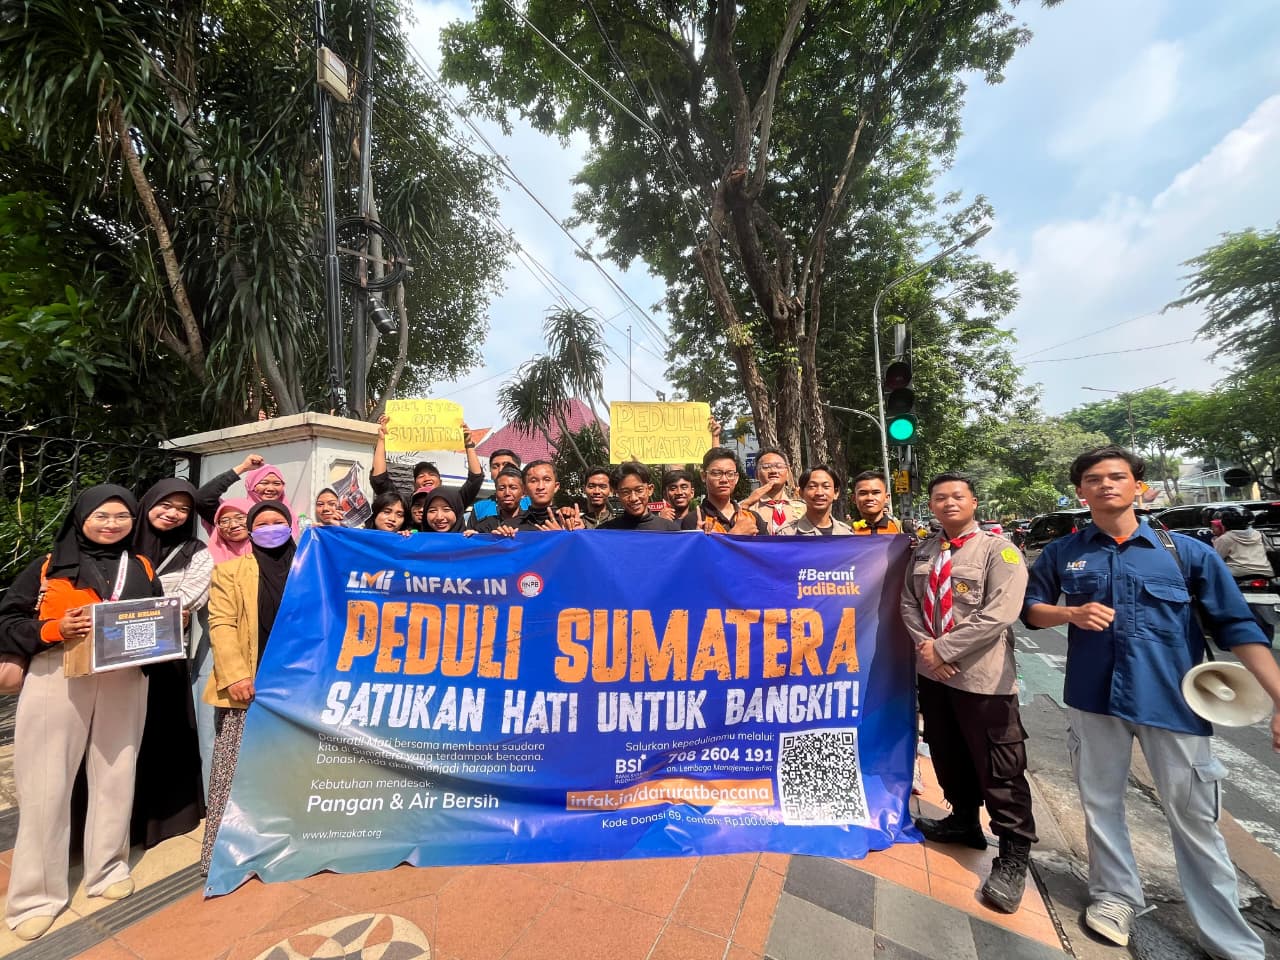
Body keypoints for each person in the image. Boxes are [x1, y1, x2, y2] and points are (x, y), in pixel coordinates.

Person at [1023, 446, 1280, 957]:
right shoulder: (1063, 552)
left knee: (1195, 818)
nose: (1105, 486)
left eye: (1117, 477)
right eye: (1093, 479)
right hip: (1093, 699)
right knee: (1100, 805)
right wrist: (1068, 616)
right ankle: (1114, 897)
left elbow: (1237, 625)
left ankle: (1227, 936)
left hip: (1175, 703)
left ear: (1140, 487)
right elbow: (1031, 611)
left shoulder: (1185, 552)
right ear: (1080, 491)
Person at [0, 486, 161, 940]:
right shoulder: (49, 567)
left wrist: (169, 624)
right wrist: (55, 627)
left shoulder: (142, 566)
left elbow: (154, 615)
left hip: (124, 676)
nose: (112, 524)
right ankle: (36, 896)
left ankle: (107, 869)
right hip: (59, 677)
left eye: (123, 517)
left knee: (117, 773)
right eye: (102, 516)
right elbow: (9, 622)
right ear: (82, 518)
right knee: (46, 782)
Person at [900, 472, 1036, 914]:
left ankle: (1013, 855)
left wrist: (941, 648)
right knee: (946, 751)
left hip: (982, 679)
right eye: (940, 498)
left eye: (957, 496)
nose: (948, 503)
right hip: (935, 677)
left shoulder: (1001, 551)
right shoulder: (924, 550)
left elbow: (1000, 613)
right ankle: (962, 821)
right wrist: (927, 649)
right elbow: (908, 603)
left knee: (1000, 765)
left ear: (974, 501)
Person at [200, 501, 297, 875]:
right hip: (250, 687)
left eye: (278, 522)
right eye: (263, 523)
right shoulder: (230, 572)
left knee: (292, 767)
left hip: (301, 686)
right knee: (237, 770)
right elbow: (220, 625)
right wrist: (236, 675)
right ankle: (225, 855)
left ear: (291, 526)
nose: (271, 528)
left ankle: (288, 843)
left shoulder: (312, 566)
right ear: (251, 531)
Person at [130, 480, 210, 837]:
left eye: (183, 509)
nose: (173, 514)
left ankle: (164, 819)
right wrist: (161, 605)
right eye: (167, 504)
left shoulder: (194, 549)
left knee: (162, 732)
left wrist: (141, 607)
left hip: (165, 657)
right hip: (117, 660)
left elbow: (191, 596)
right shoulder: (120, 541)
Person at [370, 415, 482, 506]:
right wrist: (381, 440)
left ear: (441, 482)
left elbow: (475, 480)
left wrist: (468, 444)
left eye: (431, 474)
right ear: (414, 485)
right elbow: (380, 481)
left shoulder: (454, 503)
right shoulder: (405, 506)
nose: (427, 478)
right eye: (421, 476)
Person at [698, 447, 767, 535]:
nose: (724, 479)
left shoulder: (752, 517)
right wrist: (735, 534)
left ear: (736, 478)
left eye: (730, 474)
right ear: (704, 476)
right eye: (716, 473)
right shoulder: (696, 519)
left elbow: (767, 548)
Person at [599, 463, 679, 531]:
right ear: (617, 494)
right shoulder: (606, 531)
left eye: (639, 490)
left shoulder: (669, 530)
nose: (633, 498)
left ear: (650, 489)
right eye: (625, 492)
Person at [741, 448, 804, 533]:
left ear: (788, 473)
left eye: (779, 466)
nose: (773, 471)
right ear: (756, 474)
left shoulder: (805, 509)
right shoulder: (745, 509)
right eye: (766, 467)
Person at [778, 466, 853, 535]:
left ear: (836, 493)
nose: (819, 493)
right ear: (801, 493)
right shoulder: (787, 534)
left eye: (826, 486)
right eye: (812, 486)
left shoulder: (847, 534)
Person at [510, 461, 583, 532]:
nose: (541, 487)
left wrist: (576, 534)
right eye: (533, 481)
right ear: (524, 489)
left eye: (547, 480)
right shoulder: (512, 526)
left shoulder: (570, 521)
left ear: (556, 487)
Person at [1212, 505, 1273, 578]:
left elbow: (1216, 558)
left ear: (1225, 523)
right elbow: (1269, 550)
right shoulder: (1258, 534)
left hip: (1237, 573)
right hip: (1265, 572)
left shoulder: (1225, 538)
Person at [472, 448, 530, 521]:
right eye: (495, 467)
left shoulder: (532, 503)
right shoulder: (479, 508)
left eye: (506, 465)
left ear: (517, 469)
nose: (500, 470)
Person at [470, 466, 525, 533]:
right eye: (501, 489)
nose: (507, 493)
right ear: (496, 493)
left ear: (523, 493)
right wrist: (475, 538)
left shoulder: (533, 523)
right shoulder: (484, 527)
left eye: (513, 488)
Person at [850, 471, 902, 535]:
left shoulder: (901, 529)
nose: (870, 498)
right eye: (863, 493)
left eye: (876, 493)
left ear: (886, 498)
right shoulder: (843, 530)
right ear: (854, 499)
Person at [206, 498, 254, 564]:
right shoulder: (207, 558)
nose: (233, 525)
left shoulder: (268, 550)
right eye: (225, 521)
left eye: (240, 518)